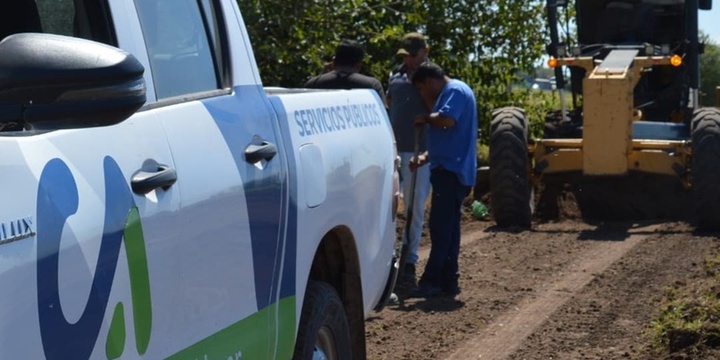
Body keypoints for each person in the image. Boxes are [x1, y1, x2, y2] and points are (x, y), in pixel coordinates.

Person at [408, 63, 477, 298]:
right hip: (450, 168)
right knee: (449, 229)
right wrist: (426, 157)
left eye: (421, 88)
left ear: (429, 81)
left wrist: (425, 118)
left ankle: (432, 280)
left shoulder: (454, 91)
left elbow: (447, 121)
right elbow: (449, 138)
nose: (422, 94)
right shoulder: (453, 92)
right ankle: (449, 279)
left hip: (451, 172)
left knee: (440, 228)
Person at [387, 32, 433, 289]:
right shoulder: (395, 74)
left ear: (425, 51)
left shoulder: (431, 78)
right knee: (393, 207)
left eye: (413, 55)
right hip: (395, 148)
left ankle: (410, 262)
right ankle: (390, 259)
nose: (409, 61)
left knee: (415, 207)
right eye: (405, 55)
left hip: (419, 151)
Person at [304, 39, 386, 104]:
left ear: (334, 62)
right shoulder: (371, 85)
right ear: (359, 64)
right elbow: (384, 117)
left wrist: (321, 76)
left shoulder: (313, 84)